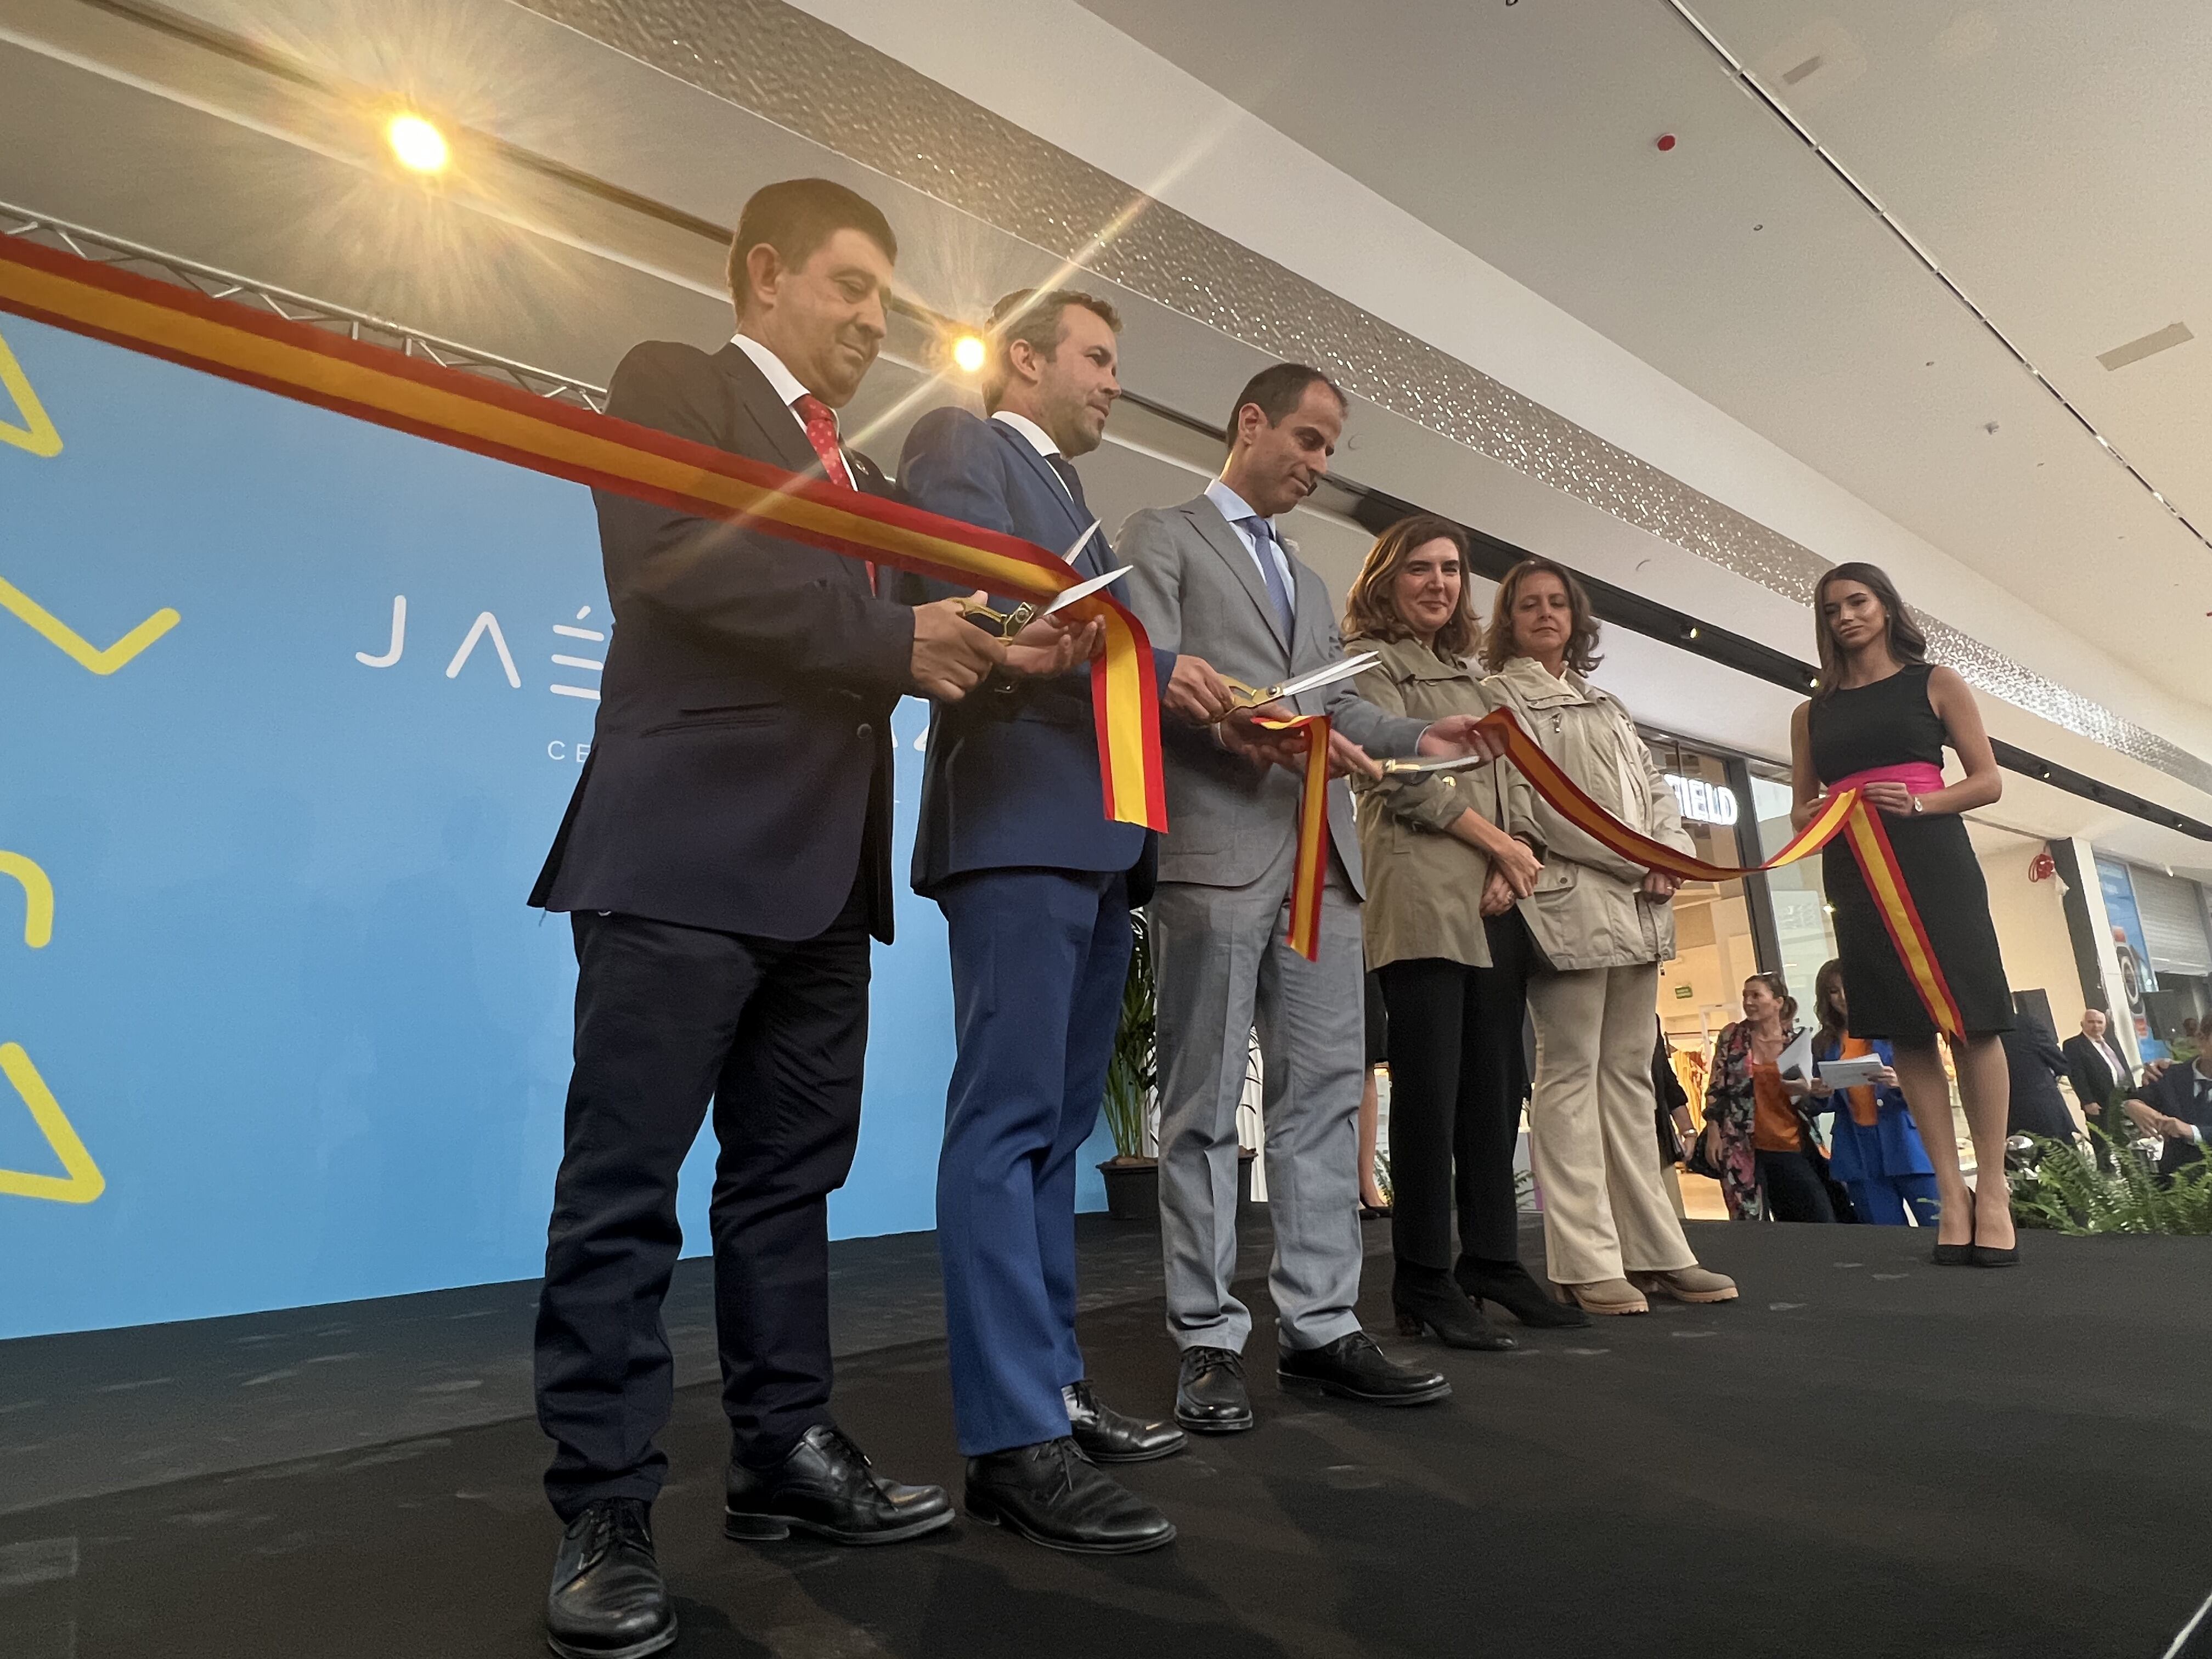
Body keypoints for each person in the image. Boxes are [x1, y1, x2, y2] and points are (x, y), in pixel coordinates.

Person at [527, 180, 1011, 1658]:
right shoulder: (672, 382)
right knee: (626, 1194)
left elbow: (920, 633)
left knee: (786, 1188)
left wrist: (1019, 647)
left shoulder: (861, 473)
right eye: (853, 287)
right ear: (766, 274)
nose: (876, 320)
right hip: (679, 857)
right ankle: (603, 1510)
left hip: (822, 881)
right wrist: (889, 637)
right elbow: (672, 559)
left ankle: (782, 1454)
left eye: (888, 301)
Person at [894, 287, 1238, 1554]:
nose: (1111, 380)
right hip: (1017, 823)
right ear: (1021, 361)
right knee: (1004, 1125)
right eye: (1095, 357)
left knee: (1049, 1134)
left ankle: (1053, 1390)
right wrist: (1079, 639)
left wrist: (1162, 670)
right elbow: (963, 599)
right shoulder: (962, 444)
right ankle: (1010, 1440)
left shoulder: (1083, 512)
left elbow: (1078, 638)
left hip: (1094, 842)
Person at [1116, 364, 1499, 1432]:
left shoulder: (1310, 579)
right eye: (1310, 440)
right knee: (1199, 1112)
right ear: (1251, 423)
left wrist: (1419, 735)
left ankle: (1323, 1326)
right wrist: (1195, 689)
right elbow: (1145, 665)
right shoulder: (1163, 534)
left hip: (1323, 873)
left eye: (1333, 449)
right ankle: (1205, 1341)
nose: (1321, 465)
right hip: (1216, 855)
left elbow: (1334, 717)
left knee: (1324, 1101)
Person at [1481, 558, 1739, 1316]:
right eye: (1529, 604)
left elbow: (1657, 791)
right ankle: (1585, 1260)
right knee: (1567, 1078)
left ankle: (1657, 1251)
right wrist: (1642, 856)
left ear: (1577, 617)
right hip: (1567, 902)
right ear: (1509, 619)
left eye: (1558, 602)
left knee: (1630, 1078)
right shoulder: (1502, 697)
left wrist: (1669, 848)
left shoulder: (1608, 703)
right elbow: (1532, 804)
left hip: (1637, 908)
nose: (1546, 613)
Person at [1344, 515, 1578, 1342]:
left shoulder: (1471, 678)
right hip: (1422, 895)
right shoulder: (1371, 667)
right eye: (1420, 569)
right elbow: (1396, 776)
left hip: (1493, 899)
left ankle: (1492, 1259)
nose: (1439, 583)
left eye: (1451, 570)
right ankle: (1422, 1280)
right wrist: (1500, 847)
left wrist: (1512, 864)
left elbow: (1510, 783)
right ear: (1385, 577)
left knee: (1494, 1092)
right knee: (1430, 1098)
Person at [1790, 562, 2018, 1268]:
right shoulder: (1811, 712)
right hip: (1854, 867)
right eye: (1831, 610)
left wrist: (1920, 803)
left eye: (1857, 603)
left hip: (1933, 859)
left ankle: (1994, 1191)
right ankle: (1950, 1194)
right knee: (1902, 1025)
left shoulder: (1936, 682)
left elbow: (1988, 781)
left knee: (1972, 1017)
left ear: (1885, 608)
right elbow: (1801, 804)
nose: (1845, 618)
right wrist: (1823, 812)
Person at [1806, 959, 1940, 1226]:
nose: (1842, 997)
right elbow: (1822, 1105)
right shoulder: (1824, 1042)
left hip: (1906, 1141)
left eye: (1848, 988)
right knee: (1884, 1236)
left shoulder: (1897, 1032)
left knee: (1941, 1223)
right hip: (1857, 1149)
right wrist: (1820, 1093)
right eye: (1833, 991)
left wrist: (1901, 1083)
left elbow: (1934, 1083)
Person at [1700, 974, 1835, 1223]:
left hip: (1790, 1143)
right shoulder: (1733, 1038)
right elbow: (1717, 1088)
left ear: (1778, 1002)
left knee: (1816, 1218)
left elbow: (1808, 1101)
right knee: (1750, 1222)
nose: (1748, 1002)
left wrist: (1813, 1092)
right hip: (1741, 1147)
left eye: (1756, 995)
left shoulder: (1796, 1042)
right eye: (1745, 996)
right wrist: (1713, 1132)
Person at [2123, 1052, 2212, 1177]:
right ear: (2200, 1037)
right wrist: (2131, 1105)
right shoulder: (2170, 1074)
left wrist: (2192, 1131)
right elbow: (2129, 1103)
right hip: (2175, 1180)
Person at [2001, 1013, 2078, 1142]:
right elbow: (2060, 1062)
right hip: (2044, 1113)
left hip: (2004, 1121)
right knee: (2062, 1158)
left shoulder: (1974, 1031)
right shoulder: (2025, 1024)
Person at [2061, 1008, 2137, 1124]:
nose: (2096, 1026)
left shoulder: (2112, 1041)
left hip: (2126, 1096)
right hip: (2100, 1103)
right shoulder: (2073, 1045)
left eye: (2100, 1022)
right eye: (2091, 1022)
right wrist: (2088, 1101)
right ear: (2082, 1024)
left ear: (2105, 1025)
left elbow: (2123, 1066)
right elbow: (2077, 1075)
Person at [1358, 973, 1392, 1217]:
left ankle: (1366, 1182)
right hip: (1316, 950)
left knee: (1367, 1064)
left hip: (1361, 950)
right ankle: (1346, 1186)